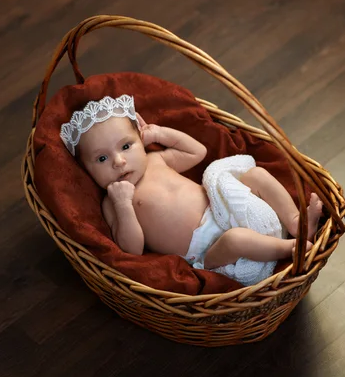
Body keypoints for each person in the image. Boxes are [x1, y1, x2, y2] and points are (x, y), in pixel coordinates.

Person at [60, 95, 323, 285]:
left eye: (126, 146)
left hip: (229, 209)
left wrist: (160, 134)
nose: (119, 161)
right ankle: (291, 247)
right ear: (86, 168)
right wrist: (123, 206)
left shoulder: (156, 160)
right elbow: (132, 250)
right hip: (212, 253)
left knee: (256, 175)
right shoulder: (113, 201)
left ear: (141, 139)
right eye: (102, 159)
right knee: (236, 238)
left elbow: (198, 152)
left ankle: (297, 222)